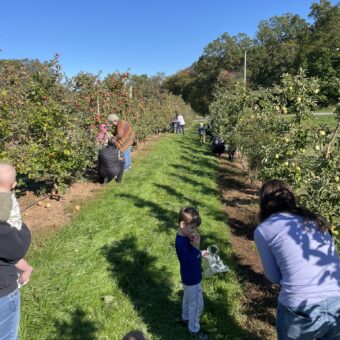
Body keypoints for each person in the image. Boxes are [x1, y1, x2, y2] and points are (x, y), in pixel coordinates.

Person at [254, 179, 340, 340]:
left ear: (264, 202)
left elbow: (273, 277)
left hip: (300, 307)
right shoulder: (316, 219)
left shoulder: (264, 229)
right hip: (337, 300)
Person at [0, 164, 31, 340]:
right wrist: (25, 231)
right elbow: (12, 245)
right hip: (12, 240)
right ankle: (26, 270)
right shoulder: (5, 200)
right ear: (14, 184)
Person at [175, 207, 208, 339]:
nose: (193, 231)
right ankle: (194, 329)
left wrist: (200, 252)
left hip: (188, 277)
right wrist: (196, 247)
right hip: (192, 277)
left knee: (188, 299)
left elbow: (192, 255)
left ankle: (185, 318)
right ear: (182, 225)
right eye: (192, 228)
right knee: (197, 305)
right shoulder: (180, 244)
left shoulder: (183, 237)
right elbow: (190, 260)